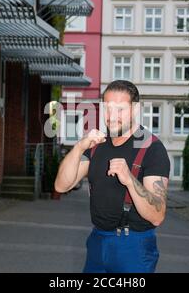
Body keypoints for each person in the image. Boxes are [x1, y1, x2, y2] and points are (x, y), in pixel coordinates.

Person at [54, 80, 170, 273]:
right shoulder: (97, 144)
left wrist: (130, 180)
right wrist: (80, 146)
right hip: (97, 242)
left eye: (120, 109)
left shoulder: (152, 149)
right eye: (107, 108)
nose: (111, 116)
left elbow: (157, 216)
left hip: (134, 247)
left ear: (135, 109)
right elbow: (61, 186)